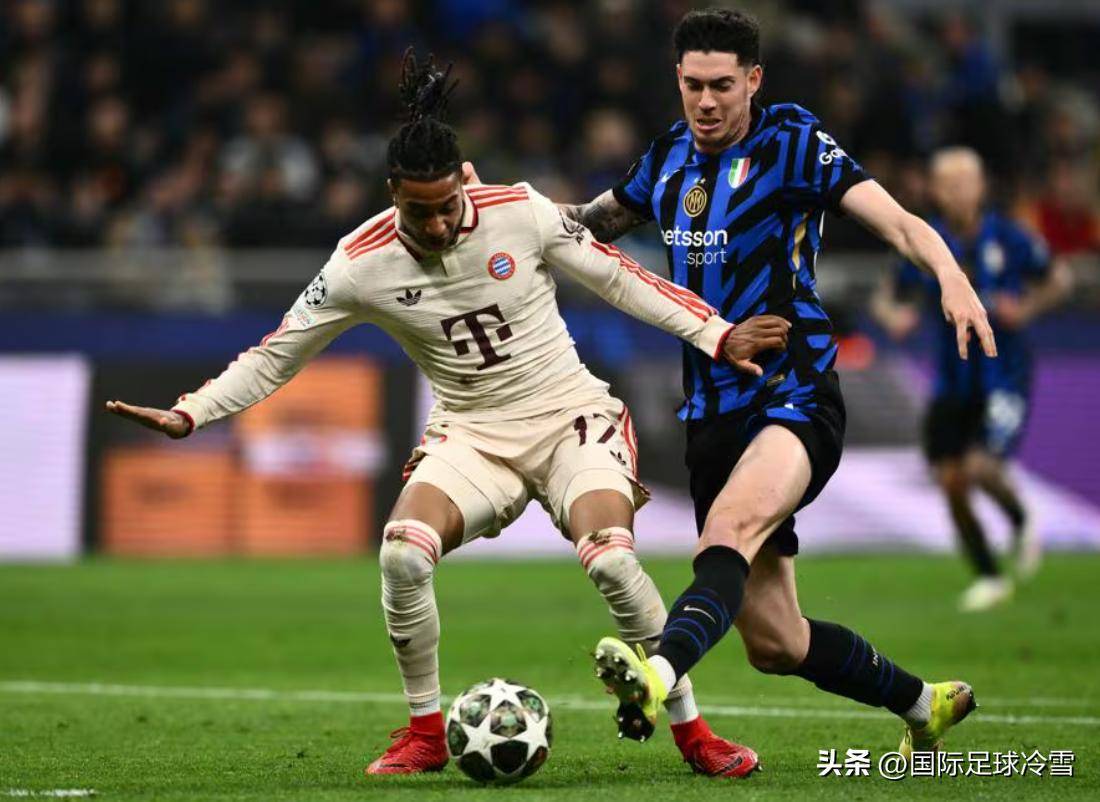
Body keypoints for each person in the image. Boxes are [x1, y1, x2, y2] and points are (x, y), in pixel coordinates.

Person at [105, 51, 780, 778]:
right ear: (392, 194)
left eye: (445, 205)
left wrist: (716, 333)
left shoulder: (520, 212)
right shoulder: (358, 263)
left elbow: (622, 279)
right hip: (471, 436)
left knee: (613, 562)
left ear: (465, 180)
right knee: (401, 553)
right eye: (415, 210)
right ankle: (425, 732)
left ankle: (694, 734)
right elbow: (276, 354)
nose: (433, 223)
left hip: (570, 420)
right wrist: (192, 413)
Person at [558, 8, 995, 760]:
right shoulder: (665, 159)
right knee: (776, 642)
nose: (706, 102)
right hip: (710, 409)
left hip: (794, 392)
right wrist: (493, 214)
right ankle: (924, 706)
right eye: (694, 85)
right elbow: (583, 225)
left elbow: (898, 222)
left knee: (726, 533)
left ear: (754, 80)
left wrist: (951, 277)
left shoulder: (792, 142)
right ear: (677, 79)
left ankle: (656, 676)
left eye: (722, 86)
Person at [873, 146, 1071, 611]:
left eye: (966, 182)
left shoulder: (1009, 237)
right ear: (936, 191)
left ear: (981, 187)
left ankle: (1020, 519)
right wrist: (893, 316)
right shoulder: (929, 241)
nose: (958, 192)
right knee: (951, 481)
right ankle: (989, 574)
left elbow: (1059, 278)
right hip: (951, 381)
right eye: (949, 184)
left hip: (1003, 374)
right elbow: (886, 294)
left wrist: (1027, 309)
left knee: (981, 467)